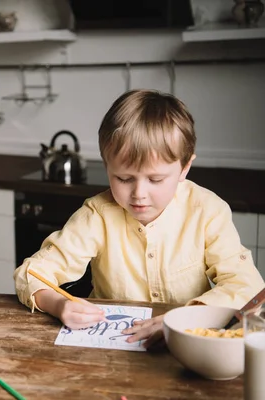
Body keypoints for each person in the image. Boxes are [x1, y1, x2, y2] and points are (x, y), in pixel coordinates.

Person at [13, 89, 265, 348]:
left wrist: (184, 317)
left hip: (186, 343)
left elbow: (247, 285)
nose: (139, 194)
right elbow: (31, 273)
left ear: (184, 168)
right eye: (123, 178)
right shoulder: (97, 215)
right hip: (114, 347)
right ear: (106, 165)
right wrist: (58, 304)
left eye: (155, 179)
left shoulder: (207, 209)